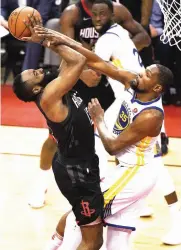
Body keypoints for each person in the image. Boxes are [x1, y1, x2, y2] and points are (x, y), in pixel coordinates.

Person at [34, 20, 173, 250]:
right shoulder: (134, 82)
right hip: (129, 170)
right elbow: (96, 61)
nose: (141, 74)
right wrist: (58, 38)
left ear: (157, 88)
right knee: (117, 239)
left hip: (135, 174)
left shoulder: (151, 116)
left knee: (79, 218)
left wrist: (98, 119)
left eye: (147, 75)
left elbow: (112, 147)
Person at [29, 0, 151, 209]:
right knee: (55, 137)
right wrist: (82, 72)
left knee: (118, 137)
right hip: (81, 79)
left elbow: (144, 37)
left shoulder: (117, 10)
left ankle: (124, 190)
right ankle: (41, 184)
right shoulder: (72, 14)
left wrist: (114, 54)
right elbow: (64, 50)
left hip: (109, 84)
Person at [13, 17, 104, 250]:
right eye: (33, 74)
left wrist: (47, 38)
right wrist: (44, 40)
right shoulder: (49, 95)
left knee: (80, 217)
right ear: (35, 88)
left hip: (79, 164)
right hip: (77, 172)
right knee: (93, 241)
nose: (35, 69)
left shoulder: (55, 85)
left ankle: (54, 243)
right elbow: (79, 60)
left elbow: (70, 57)